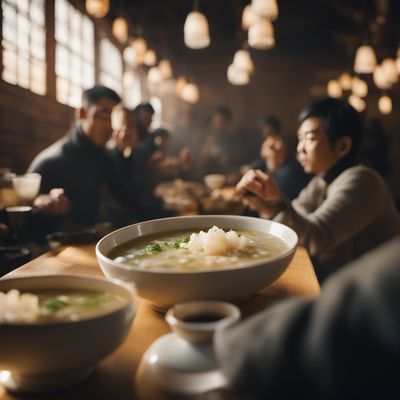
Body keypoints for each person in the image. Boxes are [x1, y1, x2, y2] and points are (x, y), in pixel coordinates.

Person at [215, 235, 400, 400]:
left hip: (331, 278)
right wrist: (275, 206)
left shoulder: (362, 194)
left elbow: (314, 234)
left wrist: (235, 351)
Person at [236, 98, 400, 281]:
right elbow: (297, 214)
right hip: (346, 283)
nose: (300, 149)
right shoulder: (321, 180)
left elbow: (314, 238)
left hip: (379, 295)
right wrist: (268, 205)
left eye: (311, 138)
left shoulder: (362, 181)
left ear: (342, 146)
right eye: (300, 139)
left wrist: (277, 205)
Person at [28, 85, 136, 231]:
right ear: (82, 113)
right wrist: (42, 201)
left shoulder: (103, 156)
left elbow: (126, 199)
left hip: (92, 240)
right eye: (104, 117)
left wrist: (123, 155)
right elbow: (26, 210)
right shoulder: (50, 160)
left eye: (113, 118)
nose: (110, 127)